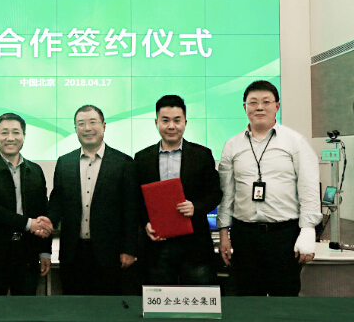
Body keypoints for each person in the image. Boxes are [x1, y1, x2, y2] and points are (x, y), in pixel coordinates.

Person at [218, 80, 323, 296]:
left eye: (266, 102)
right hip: (245, 235)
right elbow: (227, 193)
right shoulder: (232, 145)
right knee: (247, 298)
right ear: (244, 107)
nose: (259, 107)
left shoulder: (295, 142)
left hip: (284, 235)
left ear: (277, 106)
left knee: (284, 299)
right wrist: (223, 233)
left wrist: (308, 230)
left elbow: (309, 187)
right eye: (253, 102)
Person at [46, 105, 138, 295]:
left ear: (103, 125)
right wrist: (46, 222)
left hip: (110, 254)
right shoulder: (64, 162)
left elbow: (131, 210)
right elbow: (57, 202)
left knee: (107, 307)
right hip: (73, 253)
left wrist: (129, 249)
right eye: (81, 124)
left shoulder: (124, 163)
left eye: (93, 122)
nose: (87, 128)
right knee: (74, 307)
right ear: (75, 129)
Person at [134, 95, 222, 285]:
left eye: (177, 120)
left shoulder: (202, 155)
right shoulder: (142, 158)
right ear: (156, 122)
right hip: (157, 247)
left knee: (198, 298)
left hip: (195, 246)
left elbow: (215, 193)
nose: (171, 126)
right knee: (160, 299)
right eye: (165, 120)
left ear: (185, 122)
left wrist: (195, 207)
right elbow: (136, 199)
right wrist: (146, 223)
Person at [0, 113, 52, 295]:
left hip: (27, 254)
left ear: (24, 136)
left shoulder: (35, 170)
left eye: (16, 132)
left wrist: (45, 252)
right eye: (4, 132)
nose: (10, 138)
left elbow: (42, 212)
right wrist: (28, 224)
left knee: (25, 307)